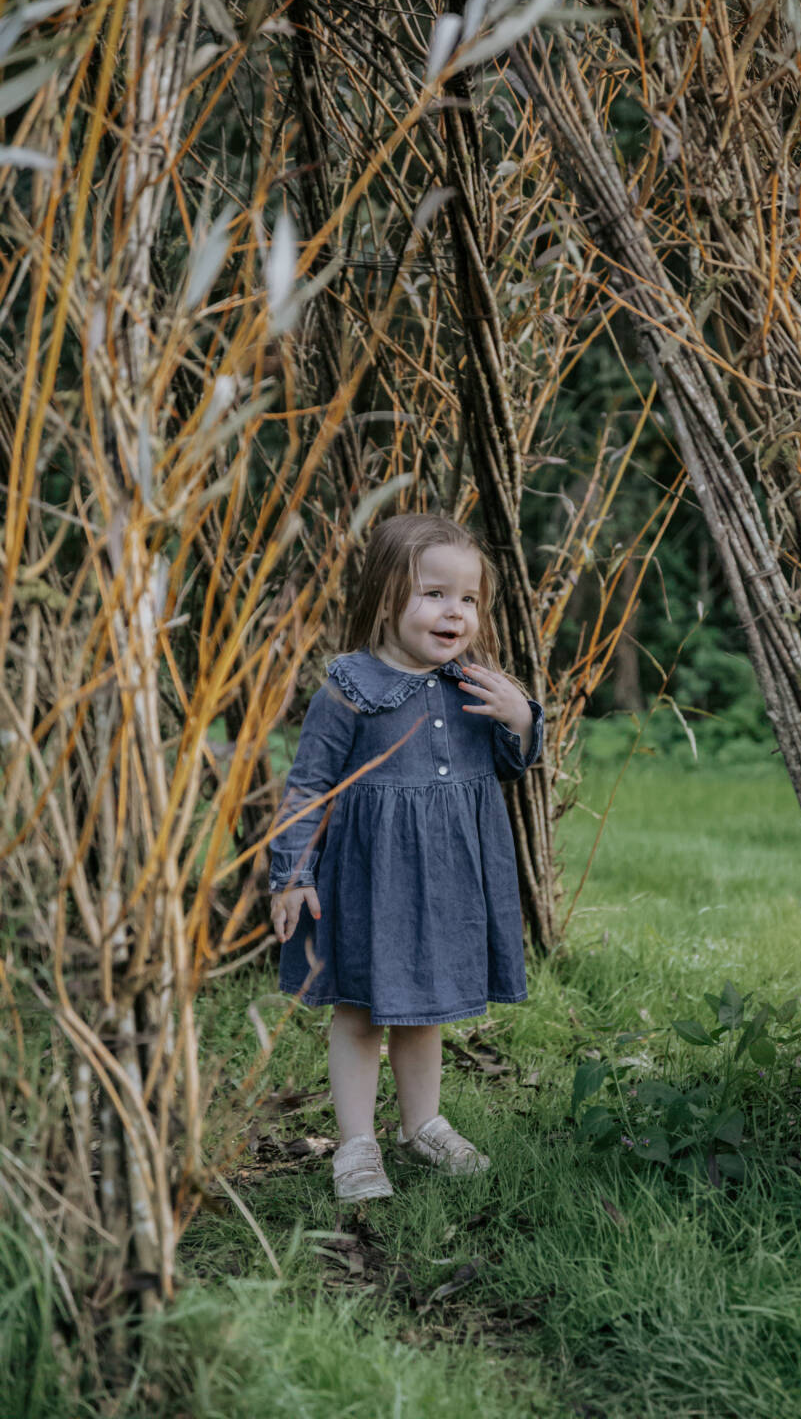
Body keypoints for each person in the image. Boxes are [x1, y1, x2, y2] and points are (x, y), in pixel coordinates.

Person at [268, 514, 544, 1203]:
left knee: (426, 1009)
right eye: (434, 594)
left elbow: (514, 762)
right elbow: (306, 786)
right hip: (370, 881)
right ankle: (357, 1145)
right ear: (387, 597)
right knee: (361, 1011)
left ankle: (422, 1124)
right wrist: (292, 873)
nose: (456, 611)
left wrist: (522, 718)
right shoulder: (348, 687)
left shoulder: (474, 686)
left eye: (469, 599)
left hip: (447, 880)